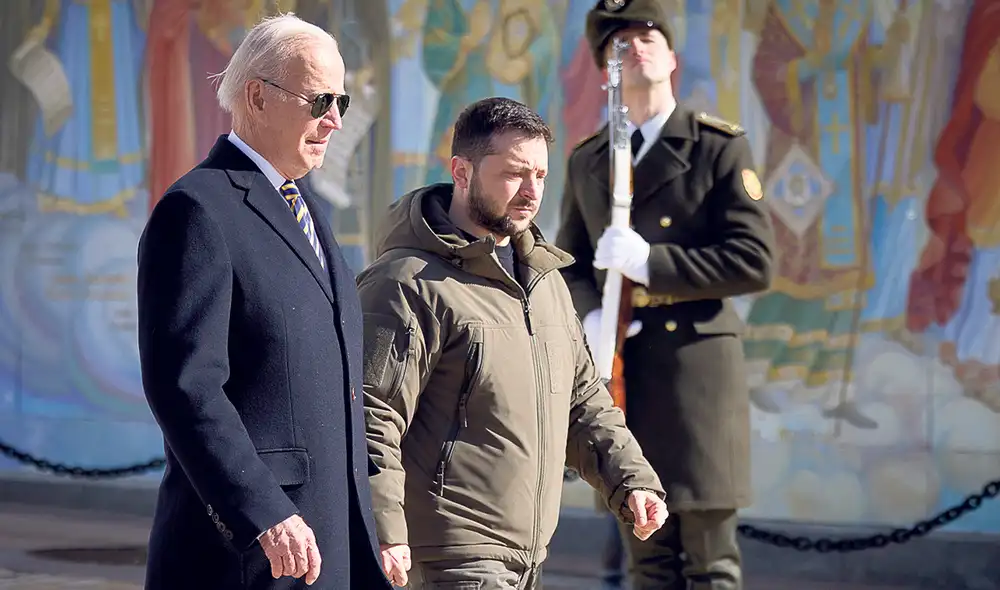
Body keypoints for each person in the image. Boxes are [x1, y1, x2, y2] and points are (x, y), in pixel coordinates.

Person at [358, 96, 669, 589]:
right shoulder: (406, 282)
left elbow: (584, 401)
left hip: (527, 560)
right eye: (514, 174)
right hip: (451, 559)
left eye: (541, 176)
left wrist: (631, 480)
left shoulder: (545, 282)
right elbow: (371, 415)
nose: (531, 192)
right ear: (462, 172)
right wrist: (383, 530)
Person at [136, 14, 391, 590]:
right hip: (250, 554)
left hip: (329, 542)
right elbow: (186, 386)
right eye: (319, 100)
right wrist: (264, 513)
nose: (334, 120)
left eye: (342, 103)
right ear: (256, 95)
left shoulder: (305, 208)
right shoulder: (197, 211)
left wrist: (374, 526)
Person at [555, 1, 776, 589]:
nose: (636, 45)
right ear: (606, 70)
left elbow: (754, 260)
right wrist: (595, 314)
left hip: (697, 372)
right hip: (625, 370)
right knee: (647, 562)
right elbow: (567, 262)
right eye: (619, 41)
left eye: (648, 34)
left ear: (672, 57)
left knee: (710, 564)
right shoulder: (589, 161)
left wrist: (653, 263)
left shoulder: (716, 147)